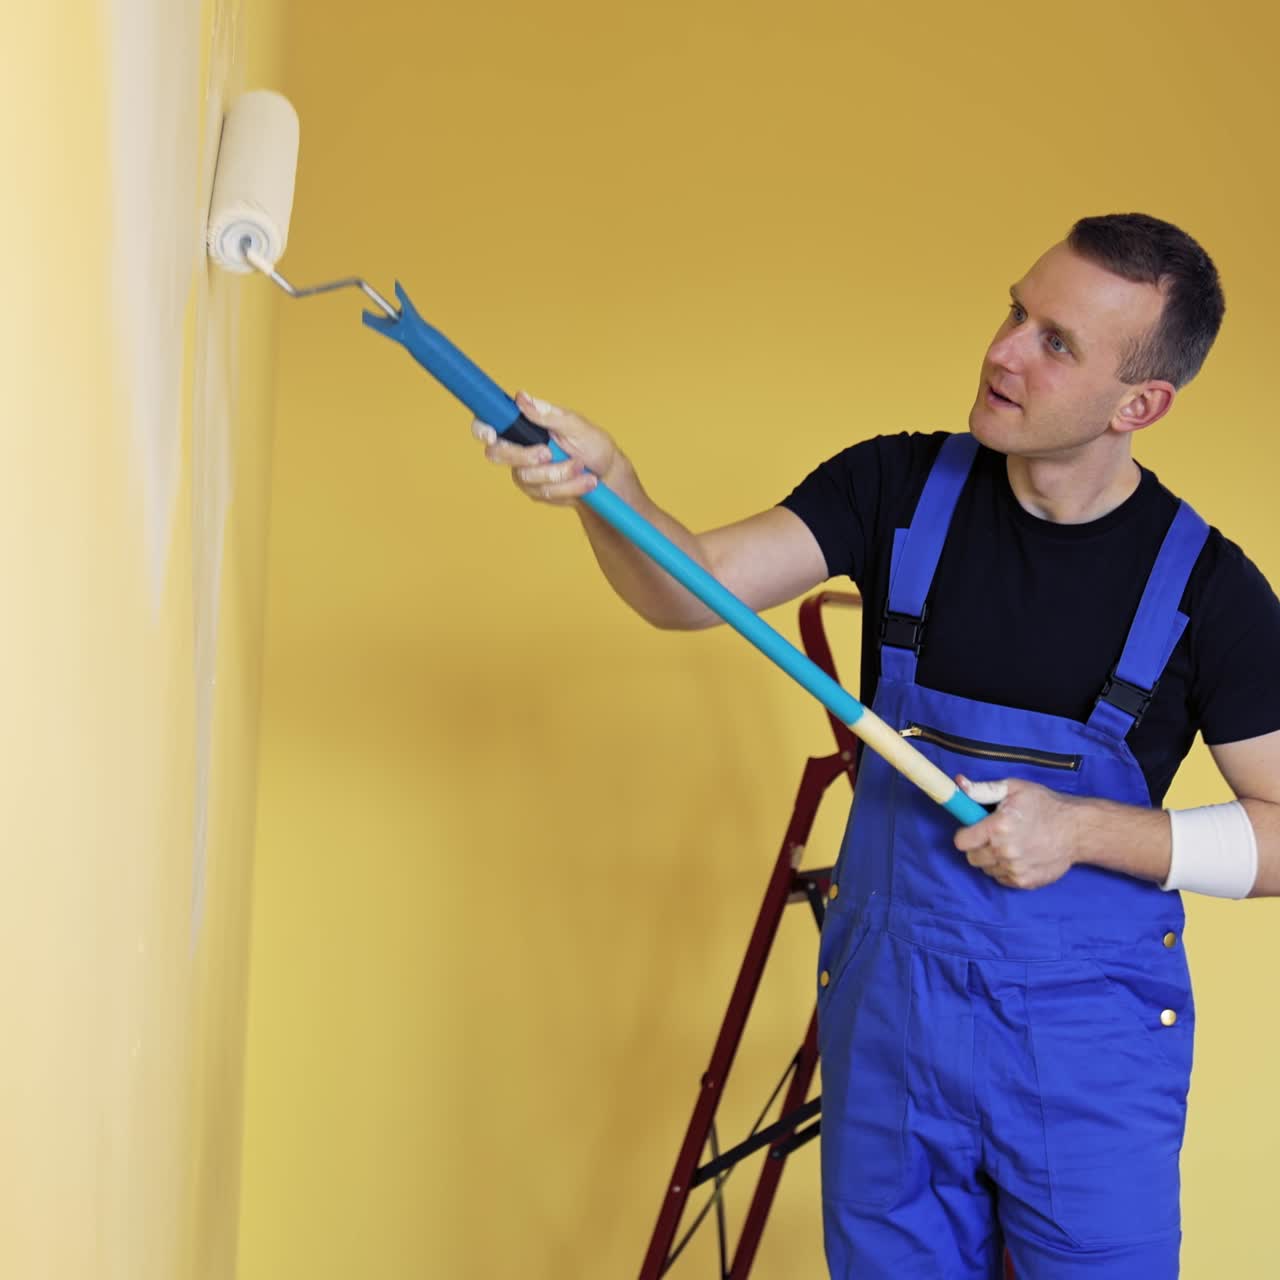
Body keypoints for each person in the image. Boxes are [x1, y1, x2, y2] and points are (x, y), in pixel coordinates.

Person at [470, 213, 1280, 1278]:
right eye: (1014, 310)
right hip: (894, 1026)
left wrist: (1078, 829)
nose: (1001, 350)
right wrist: (607, 487)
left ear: (1139, 404)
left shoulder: (1206, 592)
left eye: (1055, 343)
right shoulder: (895, 491)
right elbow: (686, 587)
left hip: (1085, 1060)